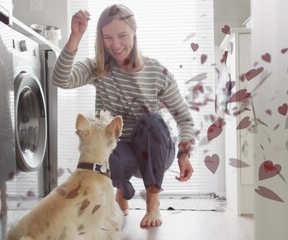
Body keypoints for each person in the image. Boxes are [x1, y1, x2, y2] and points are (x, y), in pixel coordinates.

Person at [51, 3, 195, 228]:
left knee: (152, 121)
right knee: (99, 148)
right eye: (107, 37)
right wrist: (75, 37)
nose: (115, 45)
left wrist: (185, 154)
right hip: (119, 157)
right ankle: (122, 191)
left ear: (134, 32)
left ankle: (153, 202)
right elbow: (61, 79)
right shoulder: (98, 68)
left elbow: (183, 117)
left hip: (154, 152)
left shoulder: (157, 72)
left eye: (122, 35)